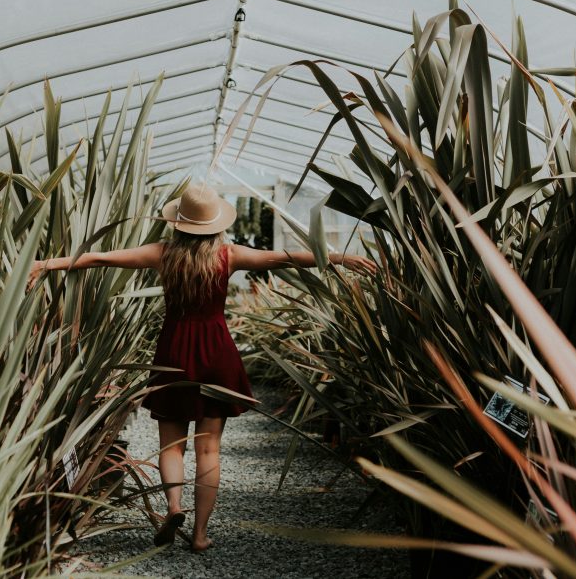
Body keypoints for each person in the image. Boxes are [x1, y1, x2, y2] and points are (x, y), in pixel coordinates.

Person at [28, 181, 376, 553]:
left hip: (174, 353)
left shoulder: (162, 254)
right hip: (217, 354)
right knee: (209, 450)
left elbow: (101, 257)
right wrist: (340, 259)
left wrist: (47, 264)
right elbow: (286, 257)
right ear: (215, 223)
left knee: (172, 445)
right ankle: (199, 534)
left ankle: (174, 508)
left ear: (179, 222)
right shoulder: (229, 255)